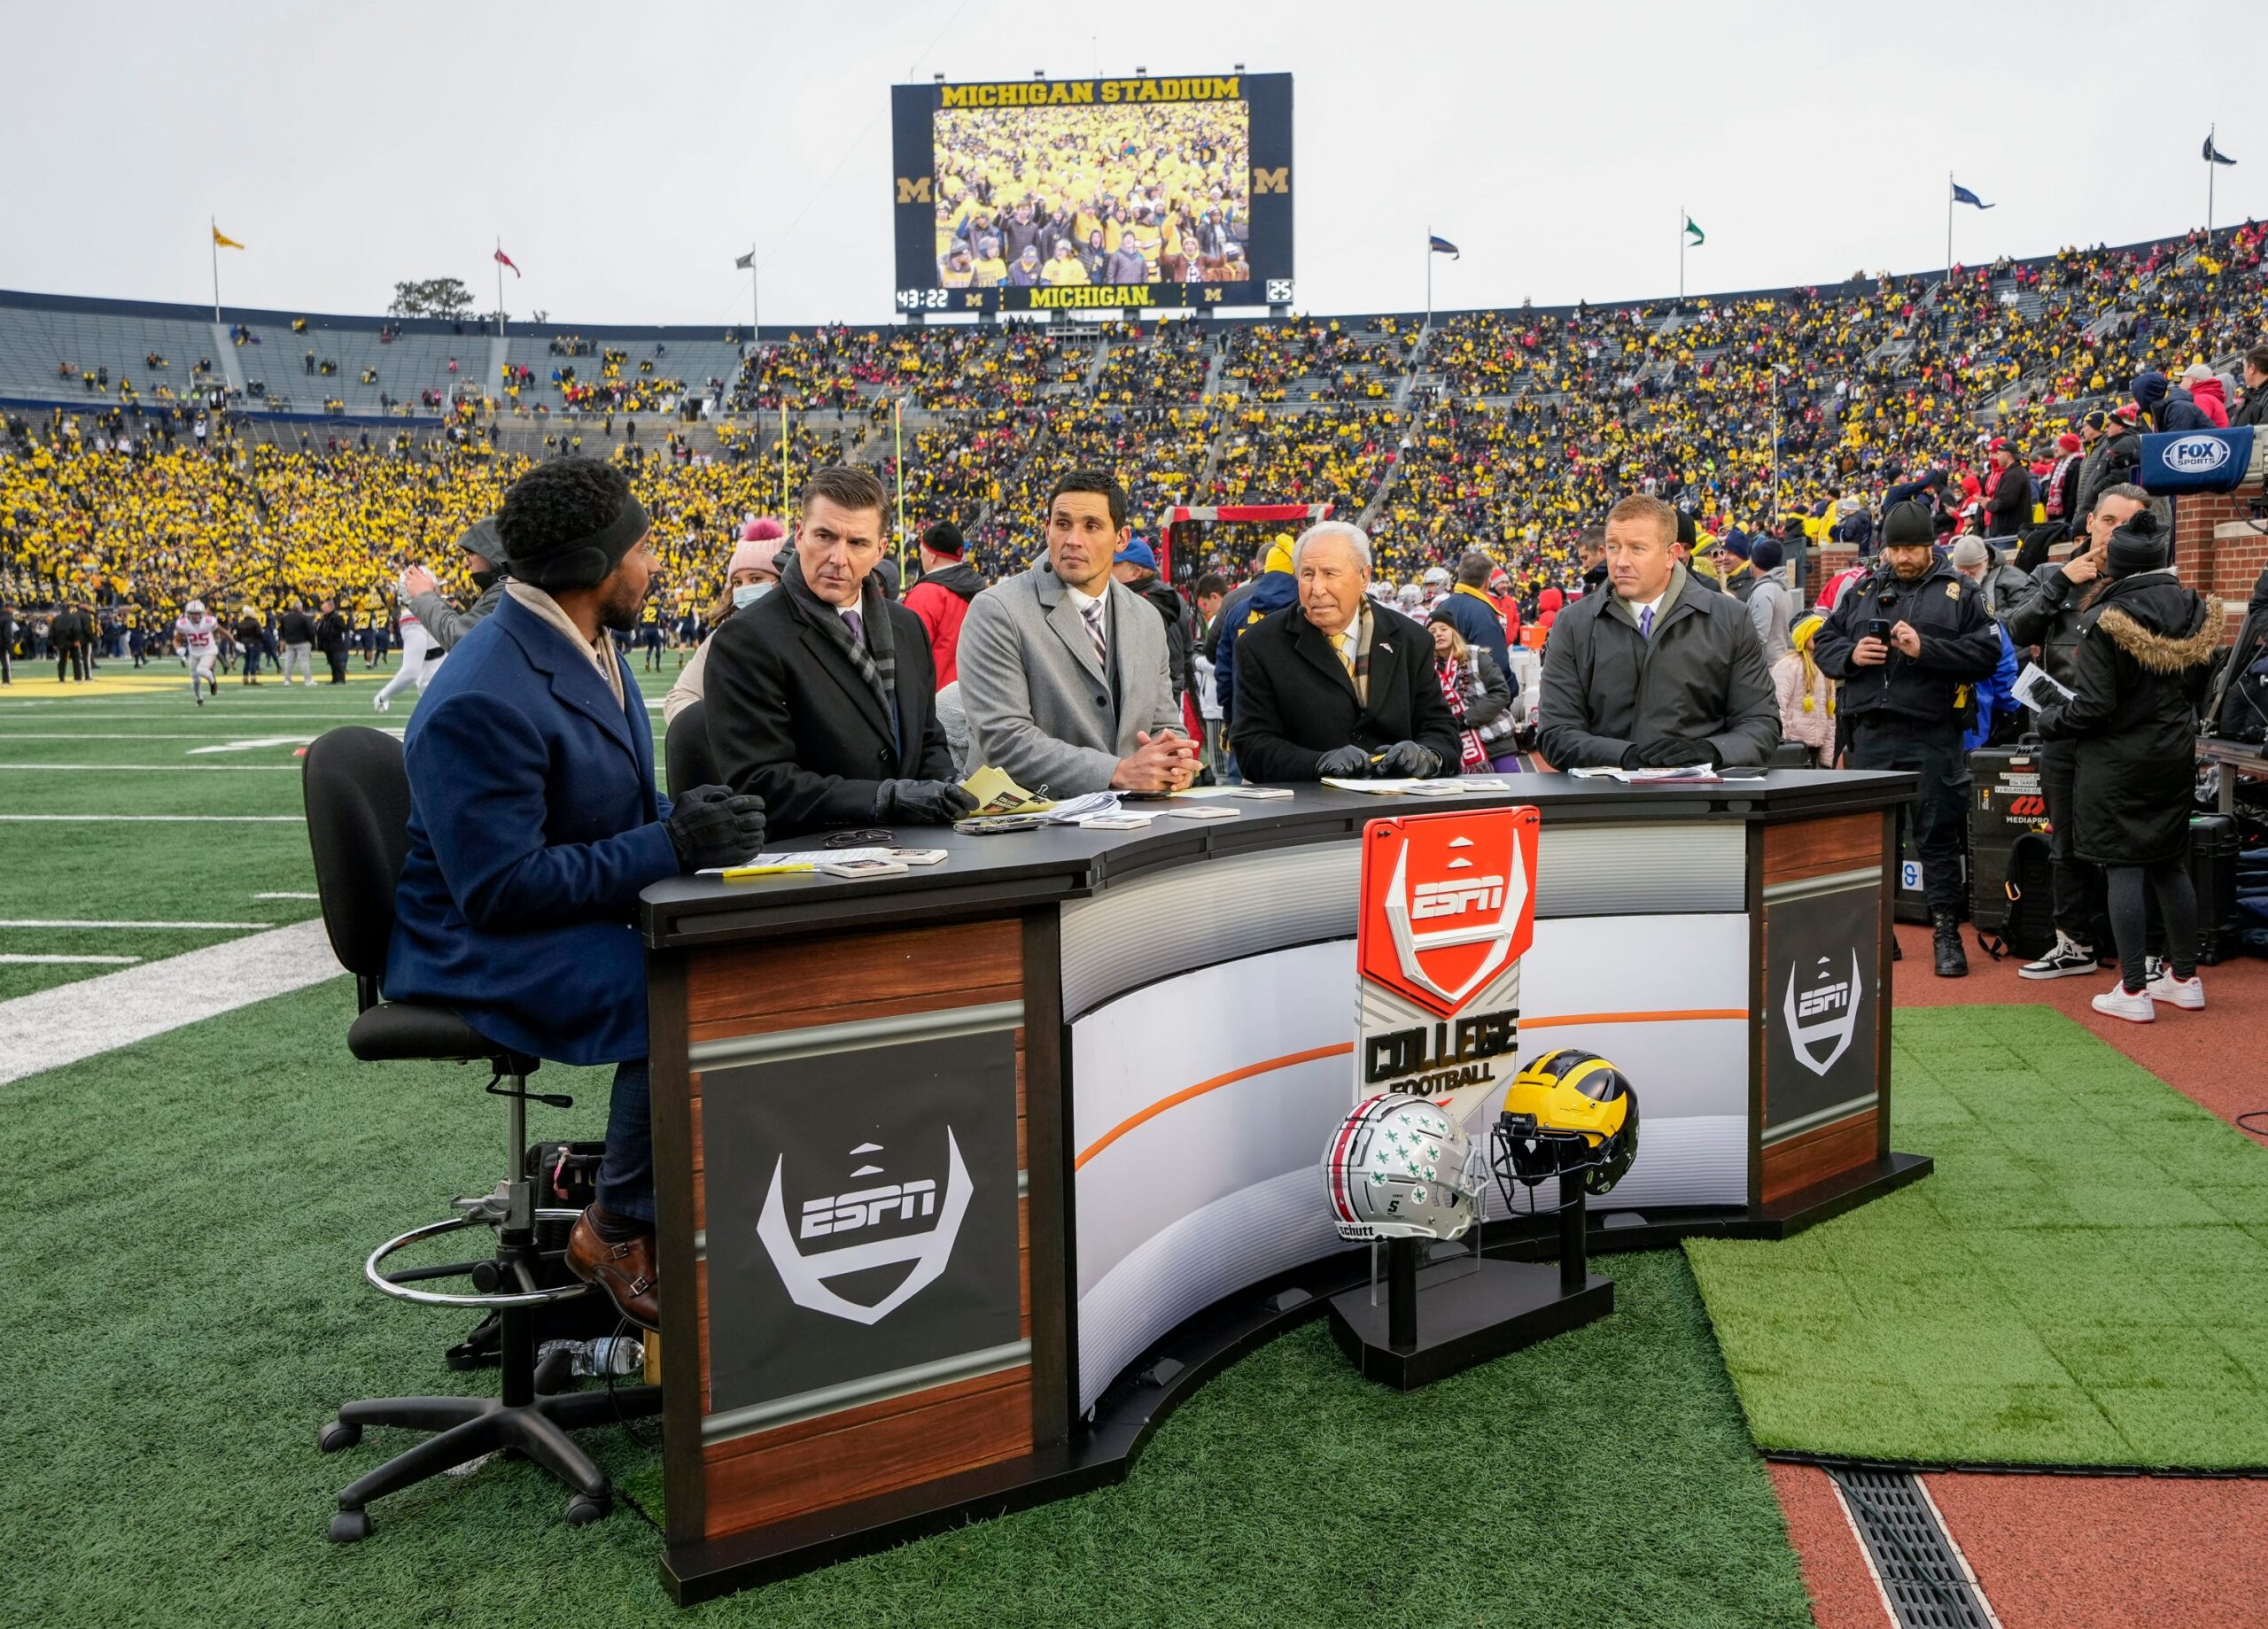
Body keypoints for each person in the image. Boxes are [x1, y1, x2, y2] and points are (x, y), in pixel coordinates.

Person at [386, 455, 765, 1328]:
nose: (655, 564)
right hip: (474, 944)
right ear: (599, 568)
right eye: (643, 548)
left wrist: (698, 821)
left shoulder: (585, 636)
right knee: (676, 981)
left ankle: (685, 1192)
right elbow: (501, 889)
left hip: (551, 905)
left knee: (730, 944)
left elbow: (610, 804)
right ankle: (617, 1225)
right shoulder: (479, 693)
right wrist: (669, 841)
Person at [705, 465, 974, 835]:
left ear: (880, 550)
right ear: (799, 536)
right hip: (812, 857)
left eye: (857, 543)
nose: (838, 557)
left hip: (916, 845)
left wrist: (945, 787)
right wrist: (884, 798)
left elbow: (927, 737)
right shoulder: (745, 639)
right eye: (824, 536)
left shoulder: (907, 627)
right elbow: (761, 783)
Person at [2037, 508, 2221, 1022]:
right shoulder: (2196, 609)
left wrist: (2050, 718)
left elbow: (2093, 706)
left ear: (2118, 565)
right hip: (2173, 751)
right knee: (2168, 862)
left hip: (2117, 762)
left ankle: (2135, 990)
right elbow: (2201, 689)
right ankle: (2184, 978)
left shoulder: (2105, 621)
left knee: (2124, 867)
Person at [1814, 500, 2003, 976]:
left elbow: (1987, 652)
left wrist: (1926, 649)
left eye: (1911, 549)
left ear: (1930, 546)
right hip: (1871, 735)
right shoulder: (1862, 590)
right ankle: (1880, 932)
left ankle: (1946, 935)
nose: (1902, 558)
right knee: (1875, 843)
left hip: (1932, 734)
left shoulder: (1961, 591)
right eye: (1895, 548)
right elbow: (1825, 643)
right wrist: (1853, 655)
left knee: (1938, 839)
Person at [956, 469, 1196, 796]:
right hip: (1029, 825)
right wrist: (1117, 771)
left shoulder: (1147, 618)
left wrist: (1174, 763)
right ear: (1047, 529)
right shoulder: (997, 610)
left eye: (1092, 526)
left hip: (1129, 821)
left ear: (1121, 539)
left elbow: (1164, 725)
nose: (1073, 540)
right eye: (1063, 524)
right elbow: (1004, 740)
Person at [2000, 485, 2148, 978]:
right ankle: (2074, 944)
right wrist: (2059, 583)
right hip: (2060, 728)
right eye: (2108, 521)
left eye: (2126, 525)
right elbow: (2015, 631)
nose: (2113, 533)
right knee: (2063, 841)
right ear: (2089, 523)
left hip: (2119, 732)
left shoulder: (2141, 582)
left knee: (2124, 845)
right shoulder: (2050, 574)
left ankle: (2138, 949)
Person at [1535, 495, 1781, 772]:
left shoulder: (1731, 619)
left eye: (1637, 548)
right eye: (1614, 548)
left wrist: (1710, 751)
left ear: (1671, 555)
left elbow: (1761, 724)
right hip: (1606, 804)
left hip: (1704, 807)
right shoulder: (1572, 623)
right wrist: (1625, 756)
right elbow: (1556, 732)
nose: (1621, 561)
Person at [1229, 521, 1461, 784]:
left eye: (1330, 573)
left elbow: (1442, 731)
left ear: (1364, 576)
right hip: (1309, 814)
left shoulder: (1412, 640)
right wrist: (1317, 764)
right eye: (1307, 574)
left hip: (1394, 812)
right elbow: (1252, 746)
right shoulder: (1259, 645)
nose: (1317, 588)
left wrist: (1428, 756)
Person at [664, 519, 784, 726]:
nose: (744, 588)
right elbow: (679, 698)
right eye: (737, 582)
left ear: (783, 581)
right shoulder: (724, 637)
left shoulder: (805, 631)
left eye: (756, 579)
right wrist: (729, 725)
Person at [403, 516, 511, 652]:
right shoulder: (505, 587)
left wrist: (424, 595)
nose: (466, 563)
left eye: (471, 554)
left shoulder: (507, 591)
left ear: (491, 551)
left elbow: (461, 639)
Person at [1111, 538, 1196, 709]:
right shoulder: (1169, 595)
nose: (1107, 570)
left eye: (1114, 565)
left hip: (1152, 694)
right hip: (1170, 684)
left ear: (1136, 572)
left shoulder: (1142, 603)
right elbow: (1188, 647)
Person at [901, 519, 987, 687]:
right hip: (975, 697)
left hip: (936, 700)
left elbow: (909, 655)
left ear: (932, 556)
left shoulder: (926, 594)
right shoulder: (981, 589)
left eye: (922, 551)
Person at [1427, 612, 1511, 773]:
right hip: (1457, 746)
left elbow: (1501, 693)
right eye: (1432, 632)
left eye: (1443, 629)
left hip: (1495, 739)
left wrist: (1466, 718)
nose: (1438, 634)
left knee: (1515, 794)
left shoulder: (1476, 655)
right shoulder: (1426, 668)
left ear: (1454, 632)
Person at [1432, 551, 1513, 675]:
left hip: (1447, 687)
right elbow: (1496, 665)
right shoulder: (1482, 613)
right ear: (1487, 582)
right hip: (1475, 689)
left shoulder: (1442, 606)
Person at [1773, 612, 1836, 767]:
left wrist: (1828, 759)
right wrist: (1783, 744)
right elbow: (1779, 707)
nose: (1819, 637)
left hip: (1816, 747)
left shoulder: (1826, 667)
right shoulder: (1789, 665)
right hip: (1793, 747)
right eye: (1815, 633)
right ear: (1803, 636)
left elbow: (1830, 717)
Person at [370, 600, 439, 714]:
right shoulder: (442, 610)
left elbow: (410, 672)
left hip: (436, 696)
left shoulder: (413, 614)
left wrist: (382, 696)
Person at [1746, 537, 1795, 662]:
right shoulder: (1779, 587)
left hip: (1767, 668)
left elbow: (1759, 637)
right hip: (1779, 661)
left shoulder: (1764, 591)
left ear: (1756, 562)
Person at [174, 598, 222, 705]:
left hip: (208, 650)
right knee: (195, 679)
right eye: (192, 613)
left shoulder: (209, 621)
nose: (195, 616)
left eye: (197, 613)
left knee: (201, 670)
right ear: (188, 613)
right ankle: (199, 699)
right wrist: (178, 649)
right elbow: (177, 640)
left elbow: (217, 631)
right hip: (194, 653)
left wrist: (216, 639)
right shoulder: (183, 623)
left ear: (202, 613)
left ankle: (213, 683)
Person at [1984, 438, 2032, 539]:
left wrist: (1988, 504)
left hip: (2009, 532)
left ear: (2007, 455)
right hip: (2007, 530)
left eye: (1999, 454)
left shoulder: (2014, 474)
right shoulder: (2012, 472)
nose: (1997, 458)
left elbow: (2006, 502)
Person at [279, 601, 316, 684]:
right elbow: (311, 631)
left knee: (289, 662)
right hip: (303, 642)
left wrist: (284, 639)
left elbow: (281, 630)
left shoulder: (285, 618)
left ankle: (287, 680)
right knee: (304, 661)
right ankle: (308, 681)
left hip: (289, 642)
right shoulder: (304, 618)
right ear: (301, 608)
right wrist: (311, 642)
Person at [315, 598, 351, 683]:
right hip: (327, 644)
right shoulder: (325, 618)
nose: (322, 609)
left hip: (335, 644)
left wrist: (333, 633)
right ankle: (335, 679)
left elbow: (343, 628)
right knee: (332, 662)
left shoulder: (337, 617)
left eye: (324, 607)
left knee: (337, 662)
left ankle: (340, 679)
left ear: (330, 608)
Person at [2233, 345, 2268, 428]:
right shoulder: (2251, 393)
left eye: (2244, 367)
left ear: (2252, 368)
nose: (2243, 373)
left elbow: (2263, 436)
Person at [233, 606, 265, 684]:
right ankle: (253, 679)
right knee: (253, 661)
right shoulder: (255, 623)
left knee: (247, 661)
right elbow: (260, 634)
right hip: (254, 644)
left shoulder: (241, 624)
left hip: (244, 645)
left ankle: (245, 678)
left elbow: (238, 637)